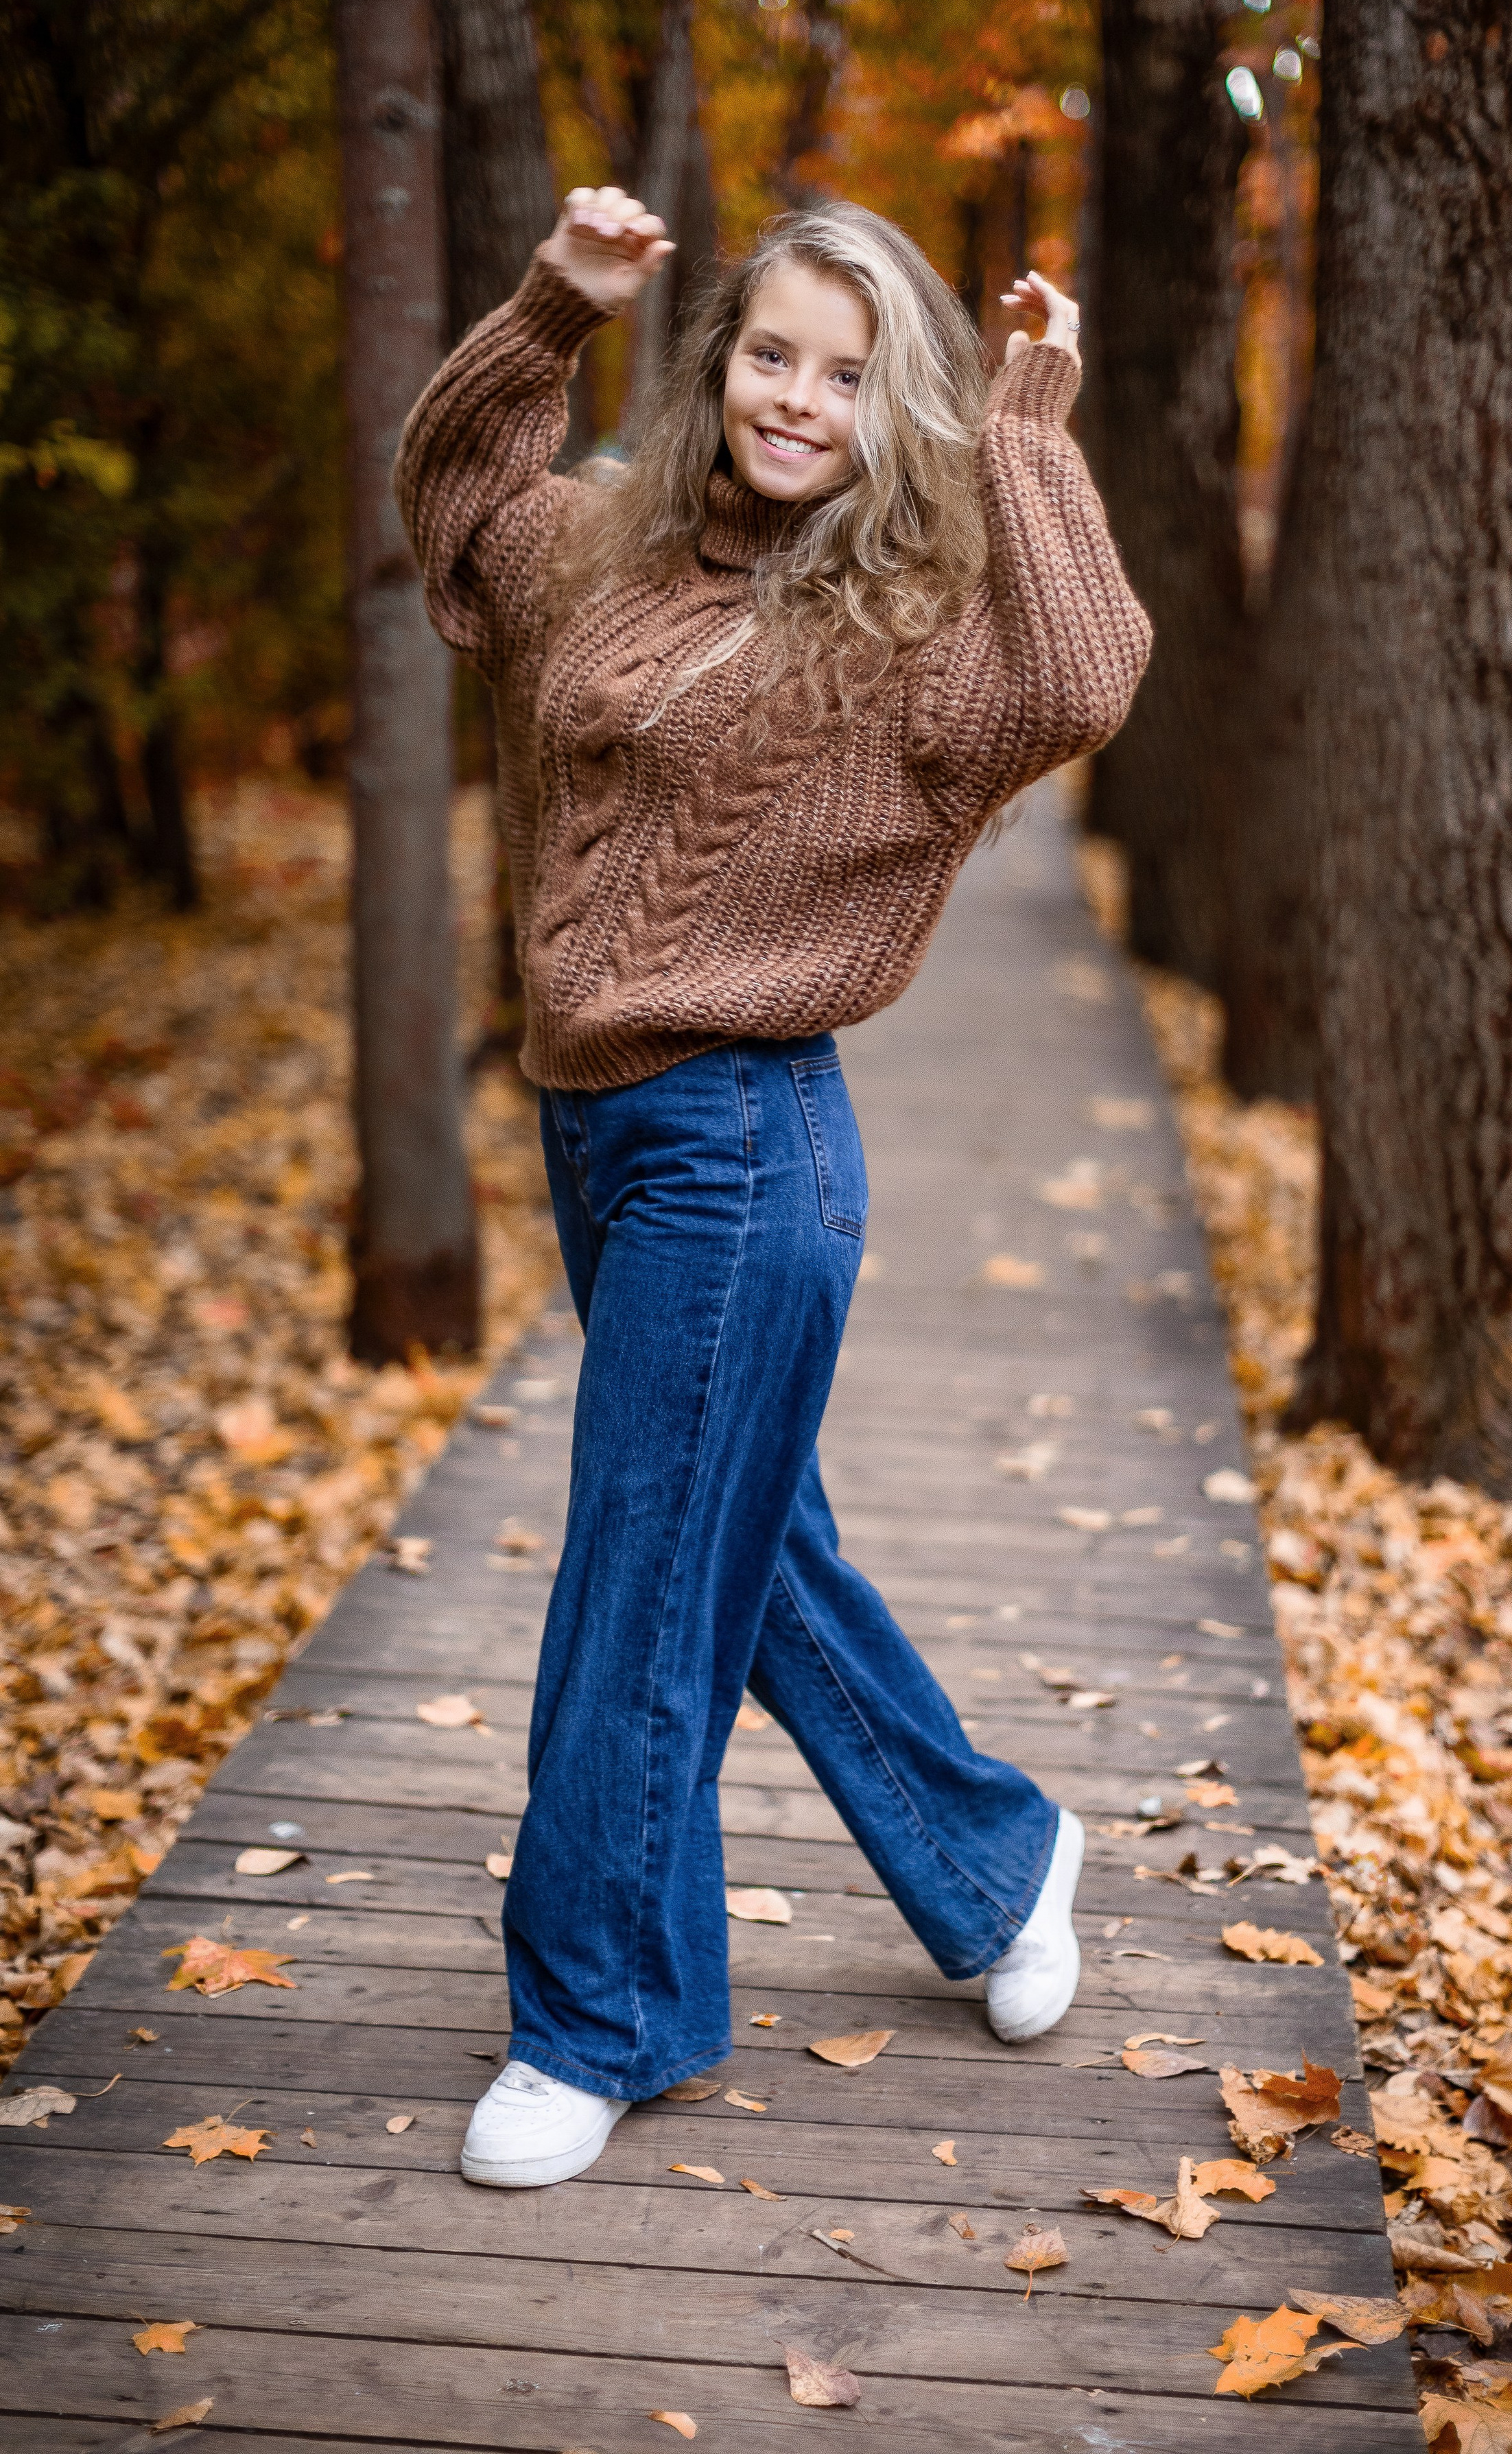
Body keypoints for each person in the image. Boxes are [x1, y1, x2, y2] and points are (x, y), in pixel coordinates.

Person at [395, 187, 1150, 2189]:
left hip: (746, 1145)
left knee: (641, 1573)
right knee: (754, 1566)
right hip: (594, 1127)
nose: (800, 397)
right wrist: (555, 304)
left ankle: (602, 2016)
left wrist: (1029, 421)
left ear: (897, 397)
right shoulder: (603, 553)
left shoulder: (915, 633)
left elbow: (1082, 682)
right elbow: (459, 507)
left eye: (848, 367)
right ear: (722, 357)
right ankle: (997, 1862)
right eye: (770, 351)